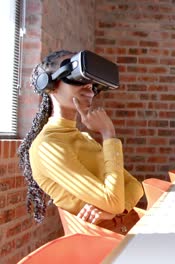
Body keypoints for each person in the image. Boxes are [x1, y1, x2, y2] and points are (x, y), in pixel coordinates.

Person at [18, 50, 144, 234]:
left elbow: (135, 186)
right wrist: (108, 134)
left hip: (127, 233)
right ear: (50, 85)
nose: (88, 85)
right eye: (75, 75)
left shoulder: (83, 138)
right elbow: (113, 201)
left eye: (89, 78)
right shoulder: (48, 147)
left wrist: (117, 210)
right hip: (99, 246)